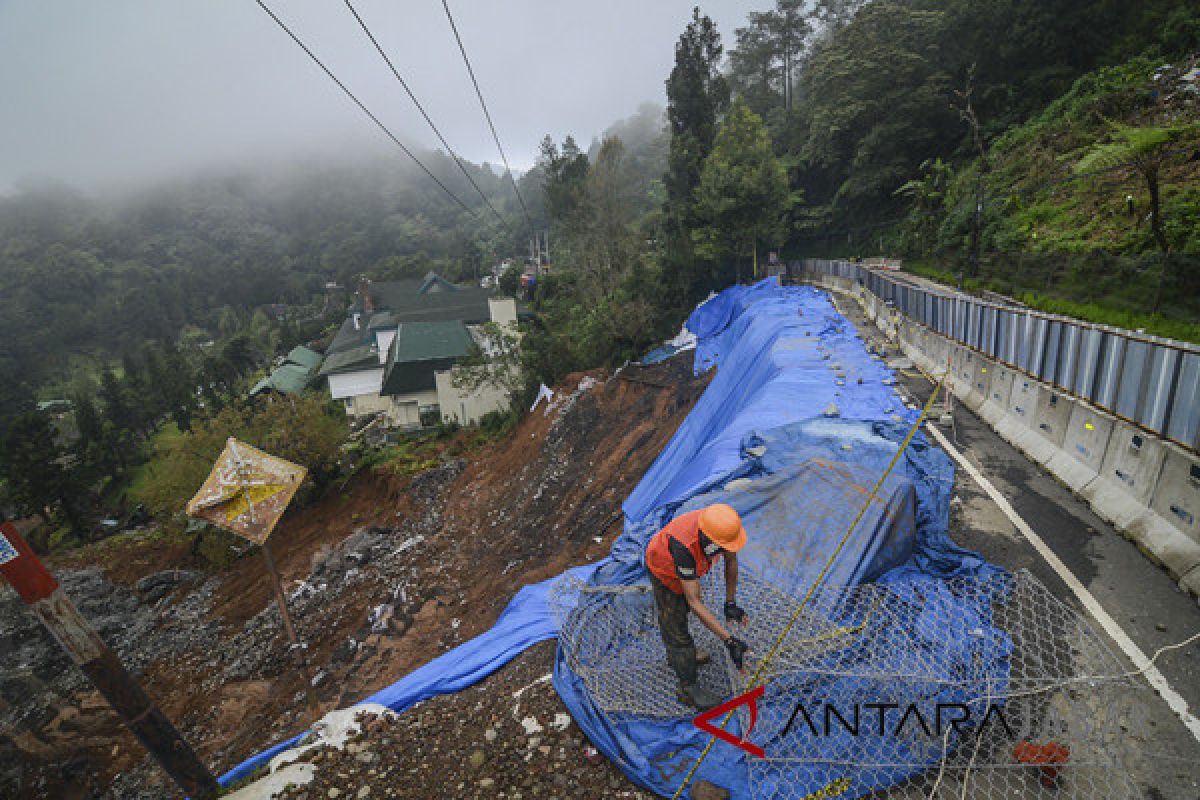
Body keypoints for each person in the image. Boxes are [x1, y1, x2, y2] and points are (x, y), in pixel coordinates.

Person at [644, 503, 751, 710]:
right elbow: (694, 602)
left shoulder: (721, 529)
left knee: (683, 609)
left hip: (689, 567)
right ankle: (688, 688)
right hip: (665, 571)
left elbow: (731, 561)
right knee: (676, 626)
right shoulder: (683, 546)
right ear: (709, 539)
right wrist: (729, 641)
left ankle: (680, 658)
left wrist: (730, 603)